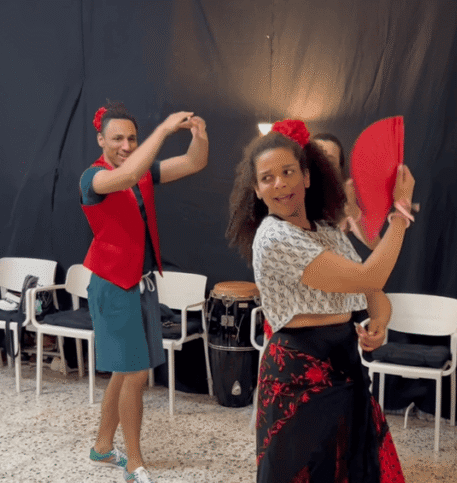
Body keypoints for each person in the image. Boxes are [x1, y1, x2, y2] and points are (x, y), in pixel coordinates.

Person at [226, 119, 412, 482]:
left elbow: (373, 291)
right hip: (299, 370)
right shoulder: (273, 237)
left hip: (344, 362)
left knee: (351, 469)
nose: (279, 183)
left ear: (307, 177)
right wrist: (400, 213)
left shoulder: (326, 232)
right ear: (257, 190)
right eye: (267, 178)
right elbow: (370, 276)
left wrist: (380, 322)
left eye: (288, 172)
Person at [81, 102, 207, 483]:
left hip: (140, 282)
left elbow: (192, 163)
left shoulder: (142, 171)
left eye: (131, 137)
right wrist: (165, 129)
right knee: (134, 374)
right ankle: (134, 463)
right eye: (117, 138)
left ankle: (103, 447)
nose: (125, 144)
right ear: (101, 139)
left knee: (125, 372)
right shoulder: (93, 178)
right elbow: (129, 172)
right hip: (112, 284)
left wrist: (199, 136)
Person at [311, 132, 380, 249]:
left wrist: (352, 209)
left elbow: (376, 245)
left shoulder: (345, 199)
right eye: (316, 158)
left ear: (339, 168)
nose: (322, 165)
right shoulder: (290, 196)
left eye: (330, 161)